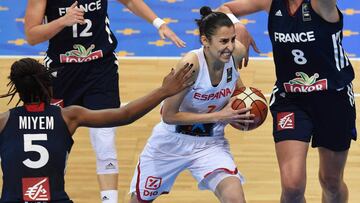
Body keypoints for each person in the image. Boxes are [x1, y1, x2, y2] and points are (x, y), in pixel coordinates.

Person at [24, 0, 185, 202]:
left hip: (100, 68)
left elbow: (129, 1)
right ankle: (50, 196)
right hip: (61, 71)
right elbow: (31, 36)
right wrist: (63, 21)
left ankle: (109, 200)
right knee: (56, 143)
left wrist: (159, 23)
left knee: (104, 140)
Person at [218, 0, 357, 202]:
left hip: (333, 99)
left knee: (331, 182)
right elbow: (224, 9)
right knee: (292, 187)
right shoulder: (272, 2)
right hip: (291, 99)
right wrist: (236, 25)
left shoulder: (321, 5)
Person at [0, 58, 193, 202]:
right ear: (48, 86)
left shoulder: (3, 121)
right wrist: (163, 91)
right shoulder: (68, 116)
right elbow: (125, 115)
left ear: (17, 90)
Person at [129, 6, 255, 203]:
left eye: (232, 39)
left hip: (210, 143)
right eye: (223, 41)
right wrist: (219, 116)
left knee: (235, 198)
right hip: (170, 142)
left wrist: (244, 105)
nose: (230, 46)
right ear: (205, 41)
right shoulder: (191, 65)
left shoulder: (235, 53)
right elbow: (169, 116)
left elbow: (236, 86)